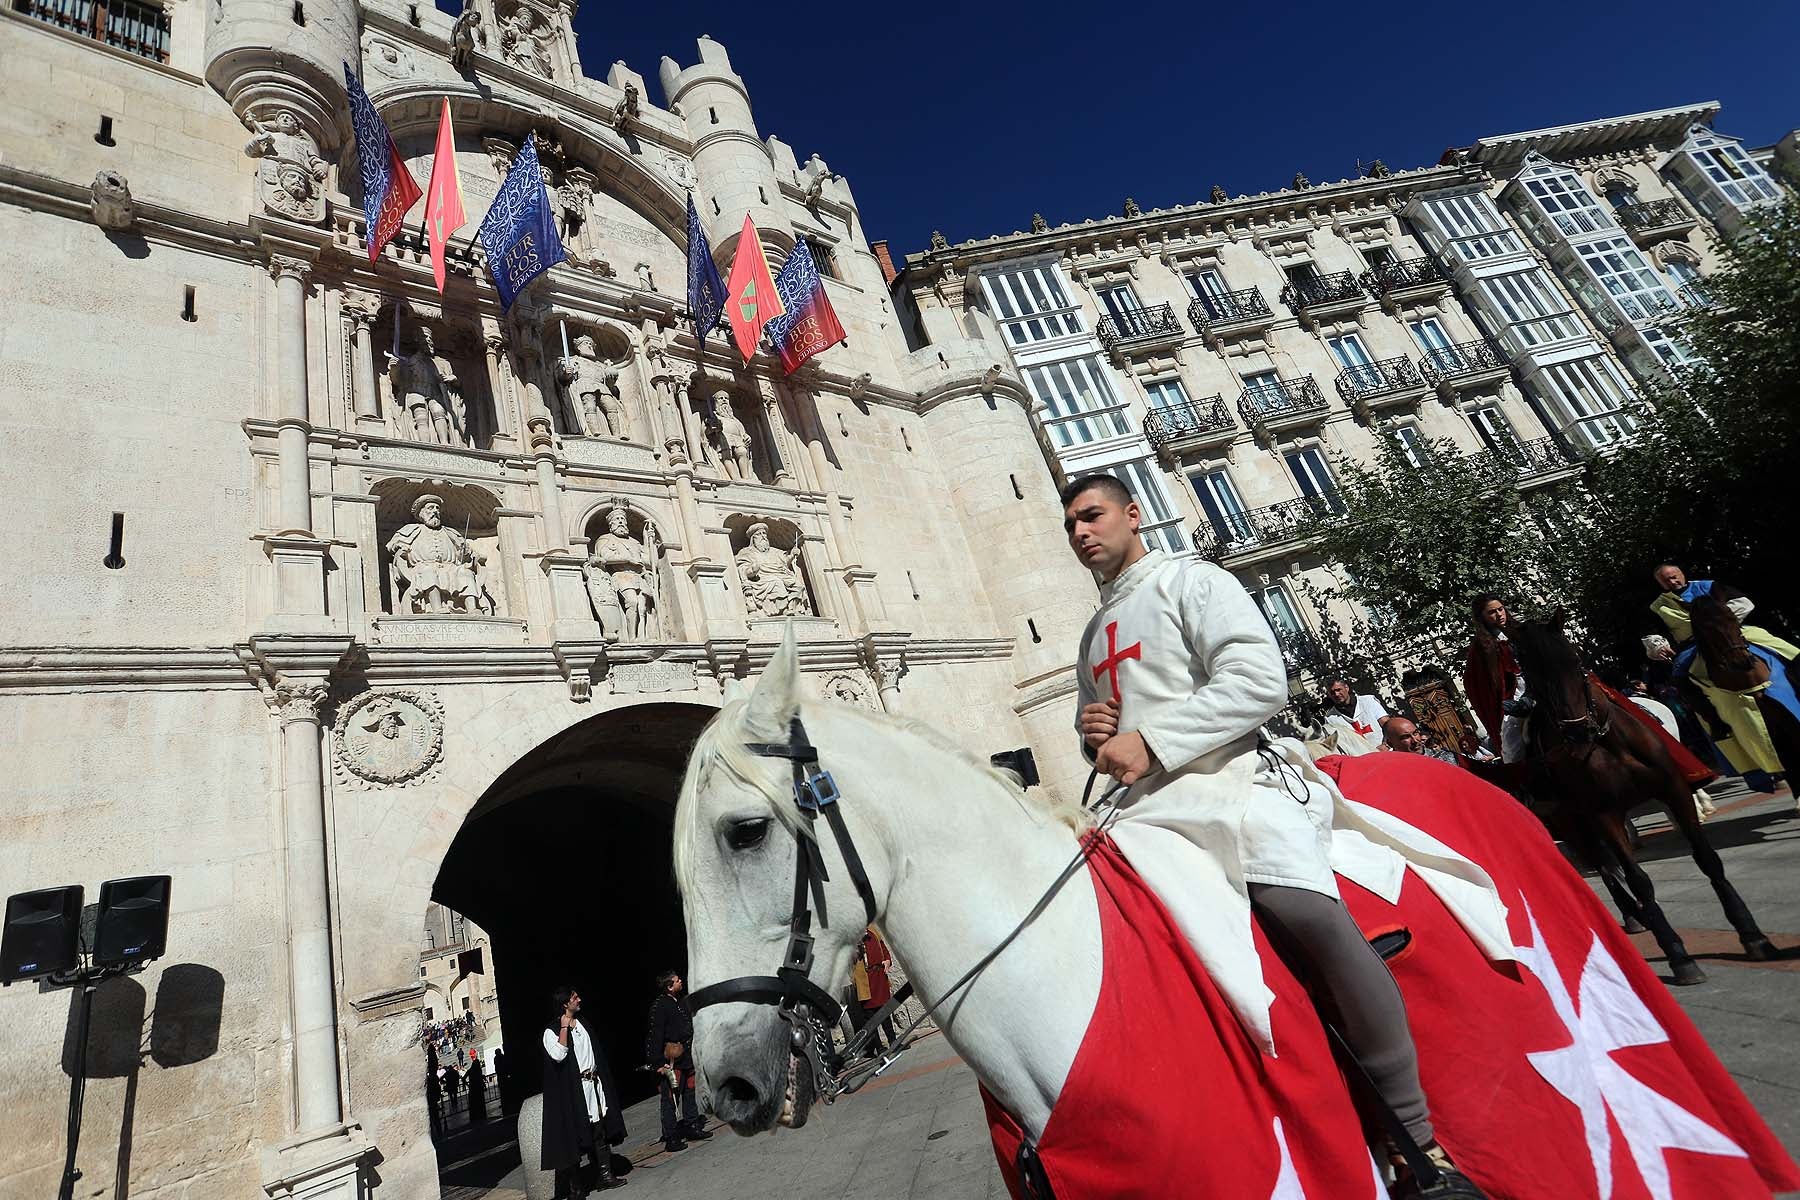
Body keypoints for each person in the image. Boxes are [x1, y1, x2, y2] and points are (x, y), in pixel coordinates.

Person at [1063, 473, 1483, 1194]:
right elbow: (1106, 734)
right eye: (1069, 524)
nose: (1079, 533)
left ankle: (1415, 1136)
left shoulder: (1193, 583)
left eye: (1091, 516)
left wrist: (1153, 741)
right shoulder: (1092, 631)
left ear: (1134, 514)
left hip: (1230, 784)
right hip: (1142, 809)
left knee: (1307, 914)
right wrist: (1090, 730)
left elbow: (1260, 683)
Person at [1648, 563, 1799, 785]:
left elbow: (1745, 603)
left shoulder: (1709, 586)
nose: (1672, 582)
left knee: (1786, 649)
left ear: (1681, 574)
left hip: (1731, 632)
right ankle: (1716, 723)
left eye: (1674, 576)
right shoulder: (1658, 606)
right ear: (1660, 583)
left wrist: (1718, 619)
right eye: (1666, 580)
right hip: (1694, 646)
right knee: (1680, 678)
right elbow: (1654, 634)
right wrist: (1658, 646)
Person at [541, 987, 627, 1194]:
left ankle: (605, 1175)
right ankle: (576, 1187)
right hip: (574, 1092)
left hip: (593, 1086)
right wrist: (563, 1028)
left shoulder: (583, 1024)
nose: (579, 1000)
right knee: (575, 1136)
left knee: (599, 1131)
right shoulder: (550, 1031)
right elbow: (559, 1055)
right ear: (565, 1004)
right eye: (574, 998)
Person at [644, 971, 710, 1153]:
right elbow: (655, 1036)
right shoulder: (660, 1006)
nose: (681, 981)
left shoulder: (680, 1001)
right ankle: (671, 1137)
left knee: (690, 1091)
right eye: (677, 980)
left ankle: (692, 1126)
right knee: (670, 1098)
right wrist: (657, 1063)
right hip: (672, 1059)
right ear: (669, 986)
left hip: (687, 1056)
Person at [1462, 594, 1527, 763]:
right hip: (1514, 697)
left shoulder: (1521, 631)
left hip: (1540, 685)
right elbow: (1474, 683)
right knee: (1511, 742)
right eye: (1492, 612)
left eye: (1501, 609)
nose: (1499, 614)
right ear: (1482, 617)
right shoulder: (1481, 648)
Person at [846, 928, 899, 1055]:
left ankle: (893, 1041)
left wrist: (887, 961)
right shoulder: (850, 937)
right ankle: (879, 1047)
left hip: (879, 977)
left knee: (885, 1012)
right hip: (865, 981)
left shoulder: (873, 930)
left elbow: (883, 948)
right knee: (870, 1017)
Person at [1321, 677, 1389, 756]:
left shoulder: (1368, 701)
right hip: (1362, 761)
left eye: (1338, 690)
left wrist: (1386, 745)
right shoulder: (1330, 719)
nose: (1336, 694)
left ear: (1346, 688)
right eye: (1332, 692)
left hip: (1386, 752)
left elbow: (1387, 724)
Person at [1382, 717, 1459, 766]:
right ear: (1390, 743)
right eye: (1406, 737)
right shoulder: (1392, 770)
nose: (1415, 740)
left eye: (1415, 733)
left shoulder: (1445, 759)